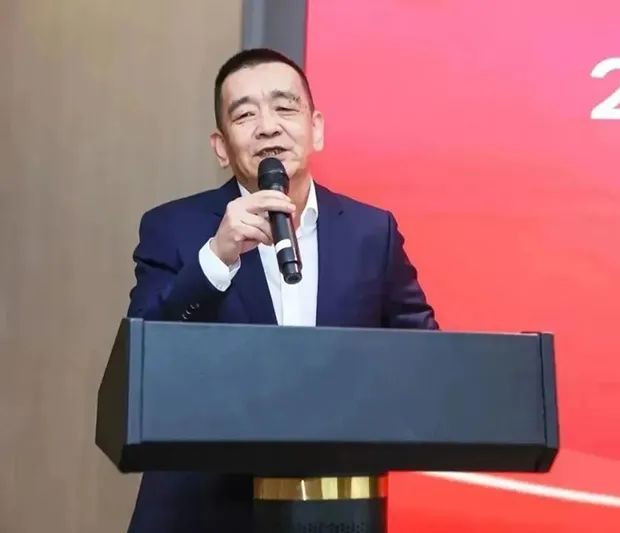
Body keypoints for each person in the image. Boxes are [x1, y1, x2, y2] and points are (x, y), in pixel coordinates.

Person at [124, 48, 438, 532]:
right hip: (200, 511)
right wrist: (216, 258)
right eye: (245, 115)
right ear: (221, 147)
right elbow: (142, 360)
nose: (267, 127)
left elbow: (425, 359)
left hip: (334, 508)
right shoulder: (173, 228)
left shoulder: (370, 232)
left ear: (316, 128)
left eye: (284, 107)